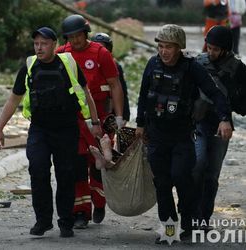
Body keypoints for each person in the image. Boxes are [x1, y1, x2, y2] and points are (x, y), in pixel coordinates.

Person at [0, 27, 100, 238]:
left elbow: (86, 93)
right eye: (36, 44)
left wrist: (94, 122)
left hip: (66, 129)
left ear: (54, 44)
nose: (39, 48)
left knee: (65, 175)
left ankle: (65, 222)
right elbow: (14, 99)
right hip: (40, 129)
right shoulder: (30, 66)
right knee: (38, 170)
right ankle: (43, 221)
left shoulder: (68, 64)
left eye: (43, 43)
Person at [135, 24, 232, 243]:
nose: (164, 51)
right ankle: (169, 230)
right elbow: (143, 96)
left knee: (181, 176)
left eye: (169, 46)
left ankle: (189, 219)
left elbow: (214, 94)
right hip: (156, 136)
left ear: (179, 47)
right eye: (161, 46)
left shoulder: (192, 68)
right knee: (162, 183)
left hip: (181, 136)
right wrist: (140, 124)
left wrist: (225, 118)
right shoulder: (152, 64)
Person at [56, 14, 124, 229]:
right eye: (71, 37)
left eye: (78, 36)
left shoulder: (100, 53)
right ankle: (81, 213)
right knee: (76, 166)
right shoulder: (61, 54)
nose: (75, 40)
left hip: (101, 119)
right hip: (73, 120)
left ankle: (100, 201)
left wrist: (120, 117)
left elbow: (115, 85)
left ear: (85, 34)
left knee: (98, 164)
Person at [193, 25, 246, 231]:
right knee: (196, 167)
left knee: (212, 175)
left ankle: (203, 219)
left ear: (225, 49)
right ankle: (190, 211)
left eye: (216, 49)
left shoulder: (238, 69)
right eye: (209, 47)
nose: (211, 52)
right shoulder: (198, 63)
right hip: (197, 124)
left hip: (221, 127)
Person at [91, 32, 131, 124]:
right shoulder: (88, 65)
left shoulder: (115, 66)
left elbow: (122, 91)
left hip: (109, 110)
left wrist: (124, 116)